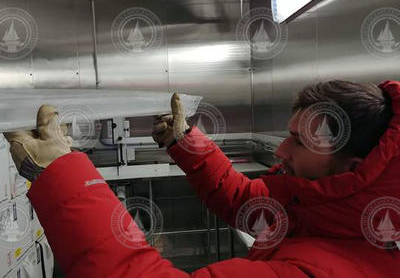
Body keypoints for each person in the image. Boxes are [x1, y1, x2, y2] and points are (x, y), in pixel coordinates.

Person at [4, 80, 400, 277]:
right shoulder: (328, 214)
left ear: (354, 168)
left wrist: (61, 175)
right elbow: (247, 201)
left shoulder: (327, 269)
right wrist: (185, 143)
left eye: (298, 142)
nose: (280, 152)